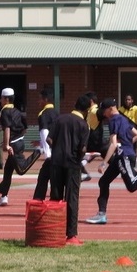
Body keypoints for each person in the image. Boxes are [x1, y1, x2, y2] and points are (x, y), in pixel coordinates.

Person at [85, 98, 137, 225]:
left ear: (110, 109)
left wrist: (103, 163)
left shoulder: (113, 120)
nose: (103, 114)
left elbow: (112, 144)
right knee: (103, 181)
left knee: (132, 186)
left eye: (104, 111)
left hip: (124, 156)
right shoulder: (123, 119)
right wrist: (127, 144)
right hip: (124, 154)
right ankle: (101, 214)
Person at [47, 95, 90, 245]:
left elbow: (49, 139)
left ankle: (53, 230)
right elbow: (83, 148)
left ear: (74, 104)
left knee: (55, 196)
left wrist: (58, 148)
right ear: (87, 110)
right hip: (73, 164)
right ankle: (71, 235)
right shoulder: (84, 125)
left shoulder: (60, 119)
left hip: (57, 161)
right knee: (72, 197)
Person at [0, 88, 41, 206]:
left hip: (14, 145)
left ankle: (38, 151)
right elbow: (25, 127)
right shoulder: (18, 112)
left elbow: (7, 128)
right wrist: (17, 138)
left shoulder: (4, 112)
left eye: (1, 98)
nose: (0, 100)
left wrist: (7, 144)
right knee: (8, 171)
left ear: (6, 99)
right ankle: (4, 196)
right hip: (19, 142)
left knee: (21, 170)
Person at [32, 89, 59, 201]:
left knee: (43, 177)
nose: (38, 101)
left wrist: (47, 152)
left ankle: (38, 201)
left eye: (40, 99)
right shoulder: (56, 113)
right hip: (58, 151)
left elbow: (45, 133)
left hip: (51, 154)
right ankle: (56, 200)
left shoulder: (43, 114)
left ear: (45, 100)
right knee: (55, 179)